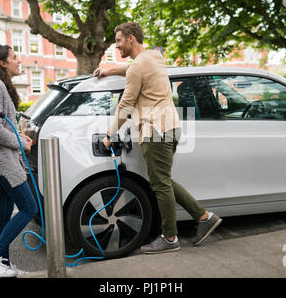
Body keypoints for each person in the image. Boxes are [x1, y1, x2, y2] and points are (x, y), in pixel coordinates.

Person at [94, 22, 222, 254]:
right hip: (170, 126)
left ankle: (170, 238)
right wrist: (109, 70)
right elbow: (133, 68)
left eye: (120, 40)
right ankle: (204, 218)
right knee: (163, 180)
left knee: (160, 183)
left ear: (131, 38)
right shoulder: (154, 57)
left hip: (155, 131)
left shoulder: (137, 67)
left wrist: (110, 133)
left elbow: (126, 103)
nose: (117, 45)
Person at [0, 45, 38, 276]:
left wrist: (17, 135)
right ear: (2, 63)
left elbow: (0, 125)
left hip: (2, 160)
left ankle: (2, 264)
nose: (18, 61)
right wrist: (20, 143)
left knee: (4, 213)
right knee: (29, 207)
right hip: (2, 163)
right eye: (14, 58)